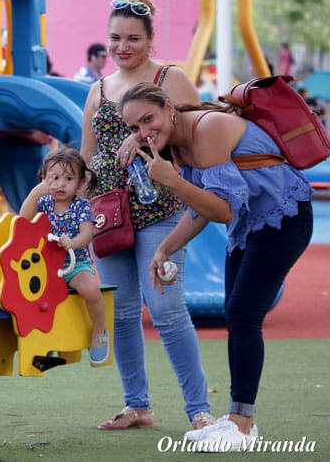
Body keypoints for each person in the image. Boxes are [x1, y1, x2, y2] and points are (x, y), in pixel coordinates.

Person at [119, 82, 313, 451]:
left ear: (169, 108)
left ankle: (242, 423)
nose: (143, 132)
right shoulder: (178, 148)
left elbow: (222, 209)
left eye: (148, 119)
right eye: (134, 128)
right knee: (236, 314)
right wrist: (164, 249)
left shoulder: (206, 129)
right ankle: (239, 418)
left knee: (243, 313)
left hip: (284, 216)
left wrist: (172, 181)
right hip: (250, 224)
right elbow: (201, 210)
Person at [79, 0, 214, 430]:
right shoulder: (98, 90)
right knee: (121, 313)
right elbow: (87, 157)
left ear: (151, 39)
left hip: (161, 213)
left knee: (167, 309)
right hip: (108, 217)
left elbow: (198, 133)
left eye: (133, 38)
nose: (123, 46)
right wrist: (73, 207)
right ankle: (137, 406)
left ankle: (199, 411)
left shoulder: (170, 78)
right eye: (115, 37)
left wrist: (141, 136)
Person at [19, 147, 108, 366]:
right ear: (44, 179)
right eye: (55, 178)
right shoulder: (44, 203)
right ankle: (40, 338)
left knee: (91, 289)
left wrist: (73, 242)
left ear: (80, 183)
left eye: (69, 179)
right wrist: (37, 191)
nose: (61, 184)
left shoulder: (81, 206)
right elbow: (23, 218)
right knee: (31, 295)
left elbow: (87, 234)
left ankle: (99, 331)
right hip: (46, 266)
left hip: (75, 264)